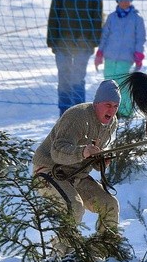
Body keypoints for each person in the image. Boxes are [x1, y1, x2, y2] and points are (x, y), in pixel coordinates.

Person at [32, 79, 121, 238]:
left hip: (76, 175)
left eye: (116, 106)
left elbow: (92, 156)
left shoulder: (112, 123)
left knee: (110, 205)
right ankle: (62, 255)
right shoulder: (77, 116)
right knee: (74, 207)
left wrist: (100, 161)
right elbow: (57, 152)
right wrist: (84, 152)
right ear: (96, 103)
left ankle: (105, 250)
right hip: (48, 171)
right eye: (108, 105)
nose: (112, 110)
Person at [47, 0, 103, 116]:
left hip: (83, 43)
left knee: (78, 79)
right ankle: (64, 114)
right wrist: (52, 40)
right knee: (64, 79)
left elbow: (97, 14)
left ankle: (78, 114)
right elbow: (54, 12)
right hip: (62, 42)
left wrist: (93, 40)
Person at [94, 0, 146, 119]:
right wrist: (100, 52)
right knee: (109, 84)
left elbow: (140, 38)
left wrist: (139, 54)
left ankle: (125, 111)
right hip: (110, 57)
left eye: (127, 0)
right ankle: (108, 112)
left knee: (123, 84)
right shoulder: (112, 18)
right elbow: (105, 35)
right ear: (117, 0)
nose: (124, 3)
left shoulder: (137, 19)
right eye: (121, 0)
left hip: (125, 58)